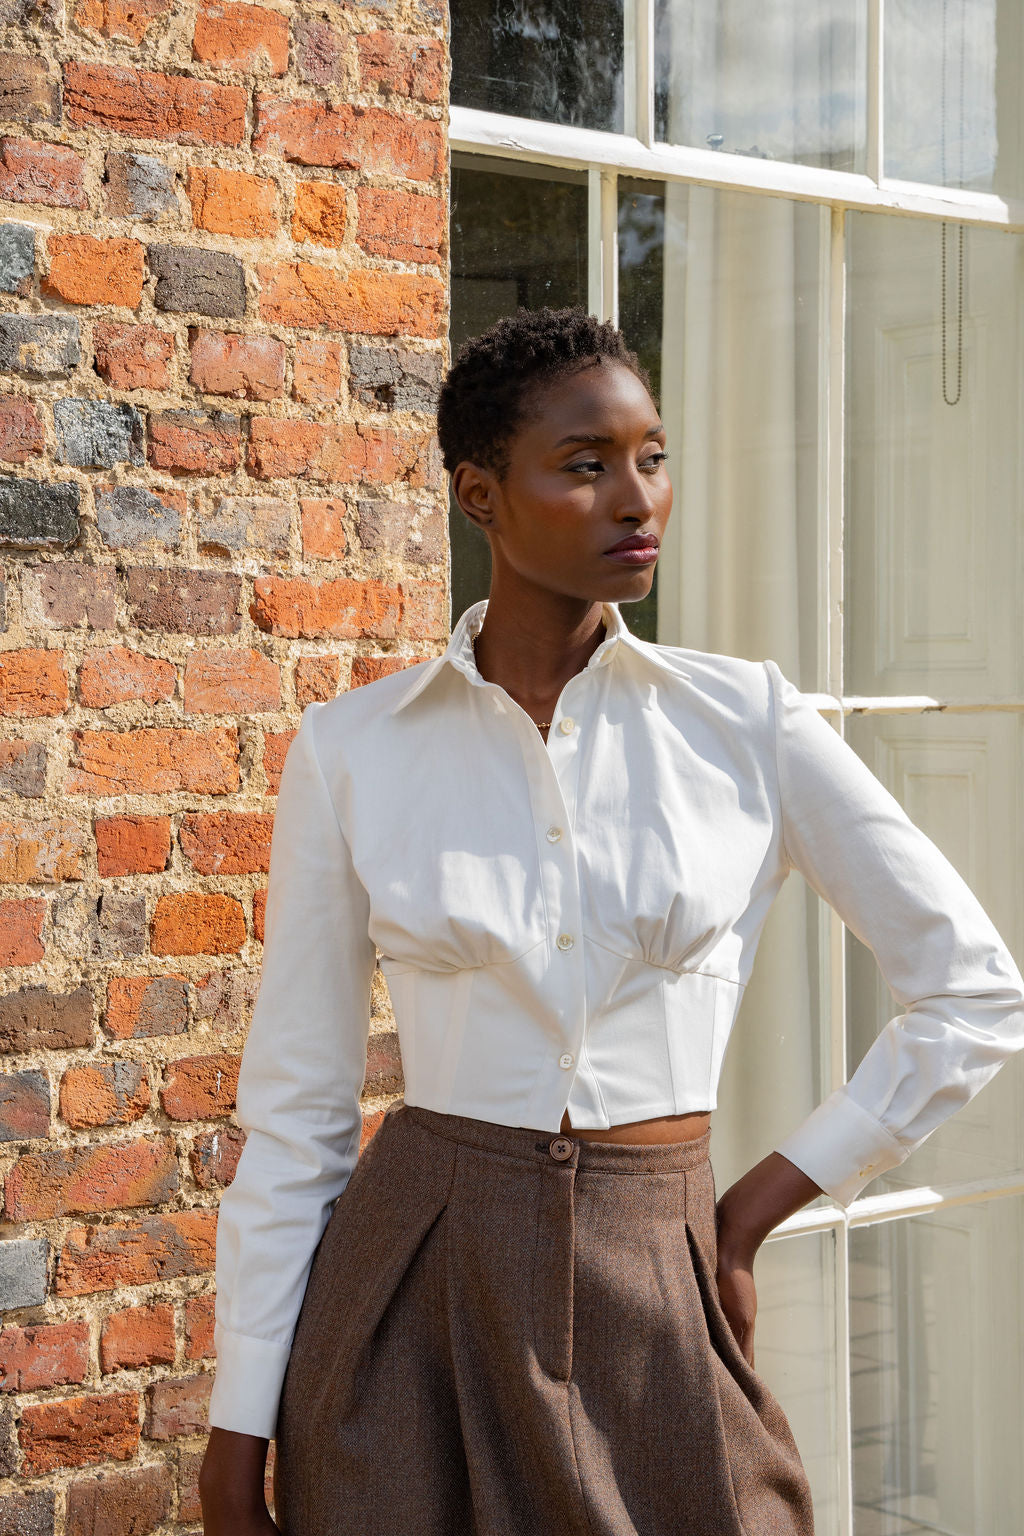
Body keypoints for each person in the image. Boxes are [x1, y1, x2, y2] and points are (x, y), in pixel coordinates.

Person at [199, 306, 1024, 1536]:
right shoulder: (352, 750)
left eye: (652, 457)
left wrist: (747, 1210)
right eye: (585, 466)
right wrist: (235, 1433)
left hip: (660, 1271)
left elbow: (971, 989)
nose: (636, 497)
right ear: (480, 495)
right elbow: (299, 1113)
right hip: (414, 1285)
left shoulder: (745, 723)